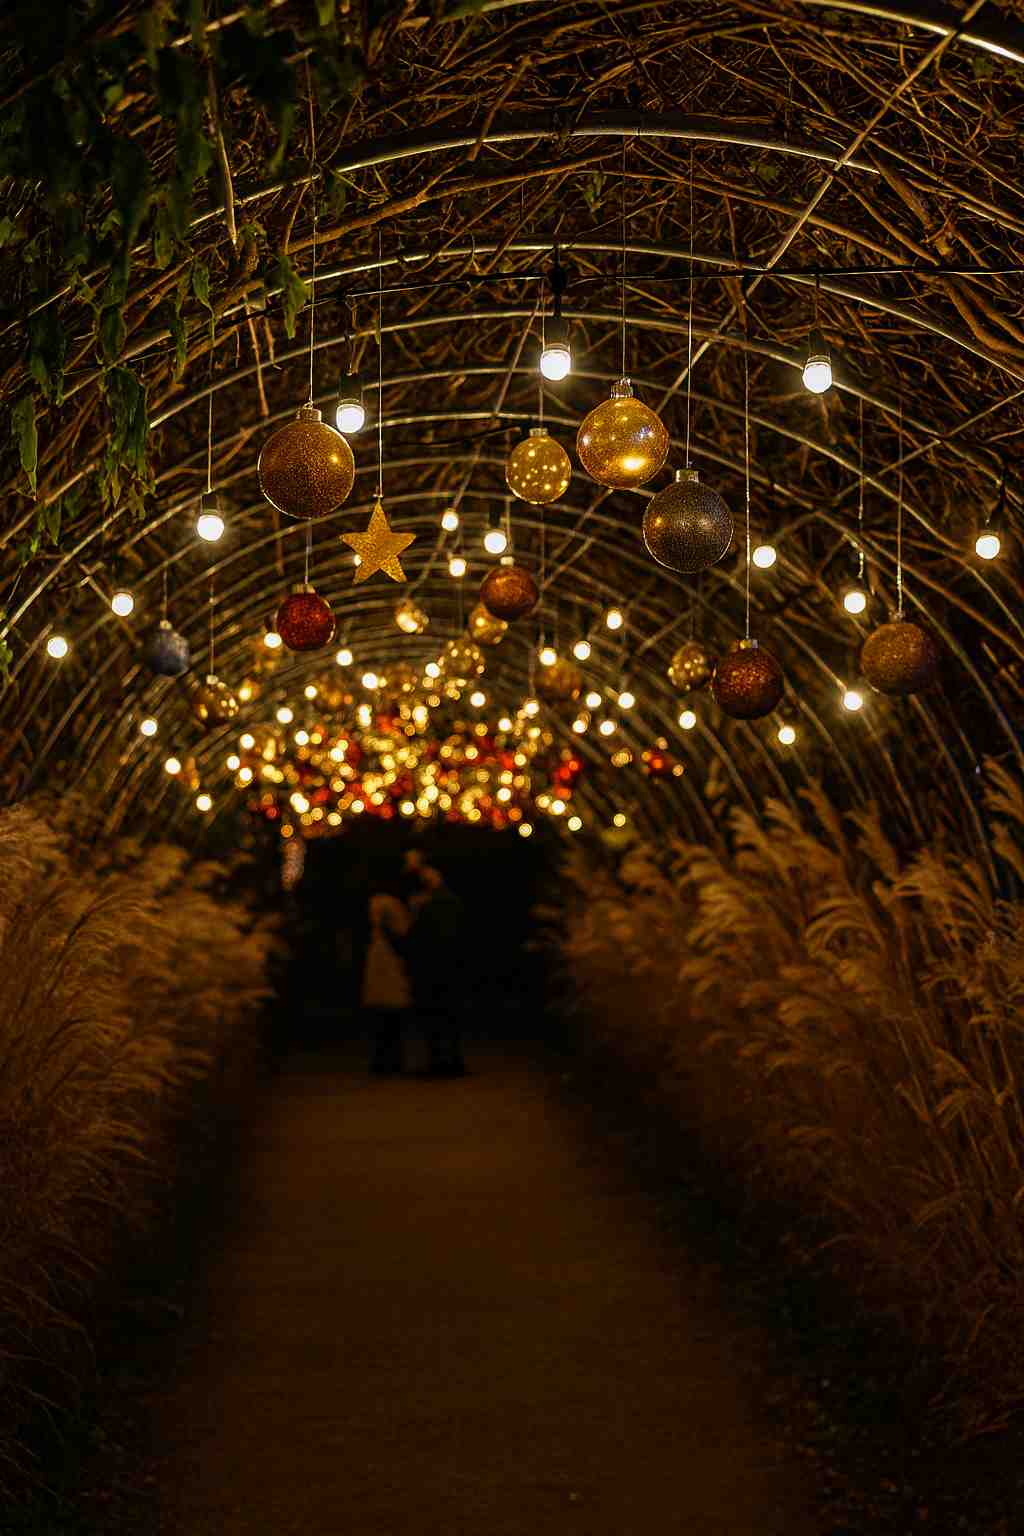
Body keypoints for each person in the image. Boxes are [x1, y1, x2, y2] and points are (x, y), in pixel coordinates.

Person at [404, 861, 466, 1076]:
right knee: (447, 1015)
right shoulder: (447, 902)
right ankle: (449, 1059)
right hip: (446, 965)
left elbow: (419, 935)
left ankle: (440, 1059)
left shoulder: (432, 904)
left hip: (435, 966)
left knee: (438, 1015)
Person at [362, 874, 412, 1075]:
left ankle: (381, 1060)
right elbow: (401, 930)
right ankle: (391, 1061)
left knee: (380, 1013)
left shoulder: (374, 902)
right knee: (391, 1013)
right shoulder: (390, 904)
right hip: (388, 958)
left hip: (379, 956)